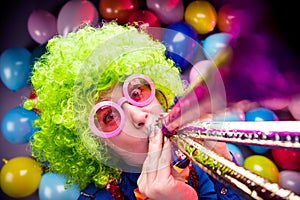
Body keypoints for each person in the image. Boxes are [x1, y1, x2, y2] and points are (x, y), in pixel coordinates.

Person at [24, 22, 246, 199]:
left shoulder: (197, 158)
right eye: (109, 116)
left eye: (137, 93)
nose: (141, 116)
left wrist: (223, 168)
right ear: (95, 144)